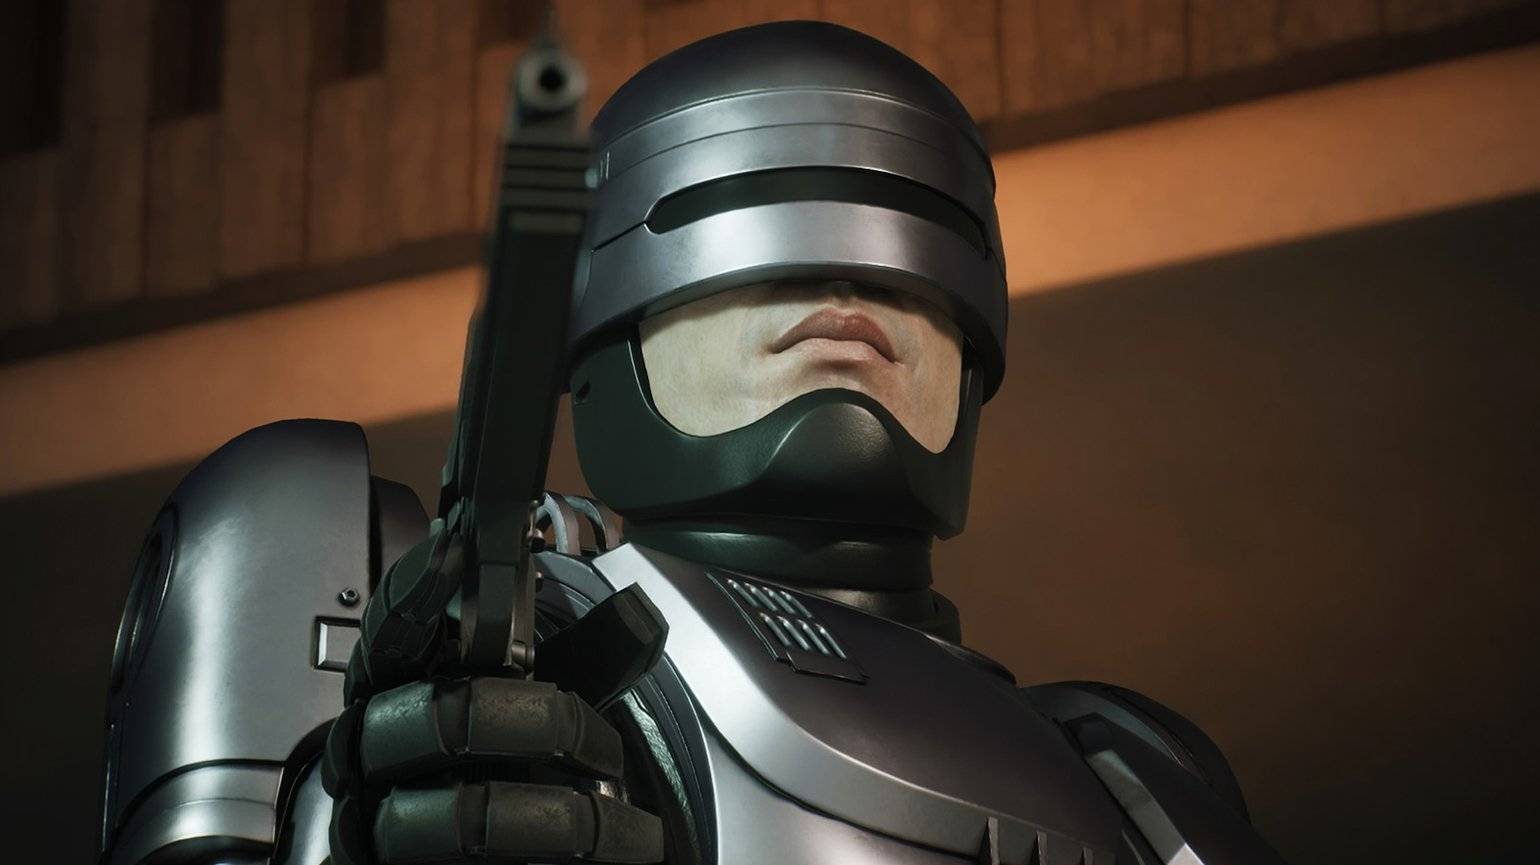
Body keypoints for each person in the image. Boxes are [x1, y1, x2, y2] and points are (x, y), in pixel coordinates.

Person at [100, 22, 1286, 865]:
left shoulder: (1134, 765)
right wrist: (345, 820)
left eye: (908, 250)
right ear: (599, 331)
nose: (843, 287)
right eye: (748, 226)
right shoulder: (468, 641)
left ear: (975, 343)